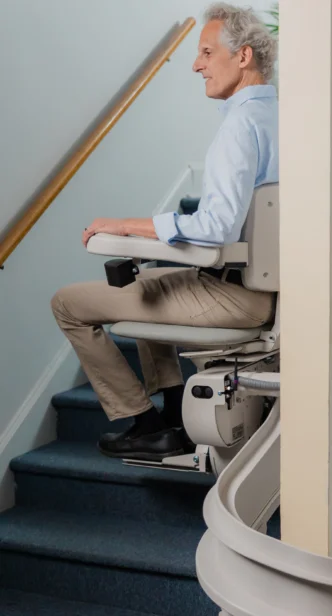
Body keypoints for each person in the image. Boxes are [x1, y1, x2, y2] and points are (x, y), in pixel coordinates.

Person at [51, 3, 279, 461]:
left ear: (243, 57)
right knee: (147, 280)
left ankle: (143, 420)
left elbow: (216, 229)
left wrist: (124, 226)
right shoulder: (283, 117)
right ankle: (174, 419)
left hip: (235, 295)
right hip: (263, 289)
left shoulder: (239, 127)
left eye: (206, 52)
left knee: (68, 304)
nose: (196, 64)